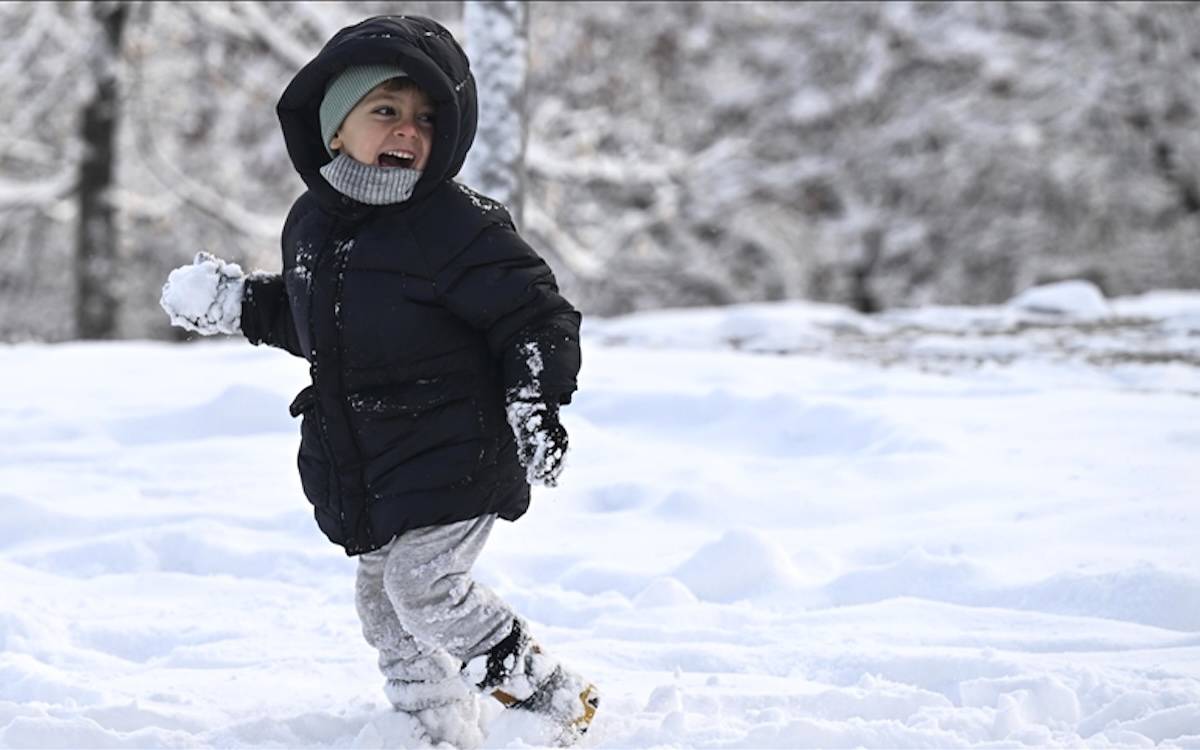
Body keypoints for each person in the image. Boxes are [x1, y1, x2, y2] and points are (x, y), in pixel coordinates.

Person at [158, 14, 596, 748]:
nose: (409, 131)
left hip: (459, 450)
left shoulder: (458, 226)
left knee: (424, 590)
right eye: (386, 111)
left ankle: (552, 701)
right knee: (384, 607)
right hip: (379, 462)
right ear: (336, 126)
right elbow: (321, 325)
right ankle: (433, 728)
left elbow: (534, 315)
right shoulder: (312, 225)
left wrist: (533, 399)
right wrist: (240, 303)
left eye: (427, 118)